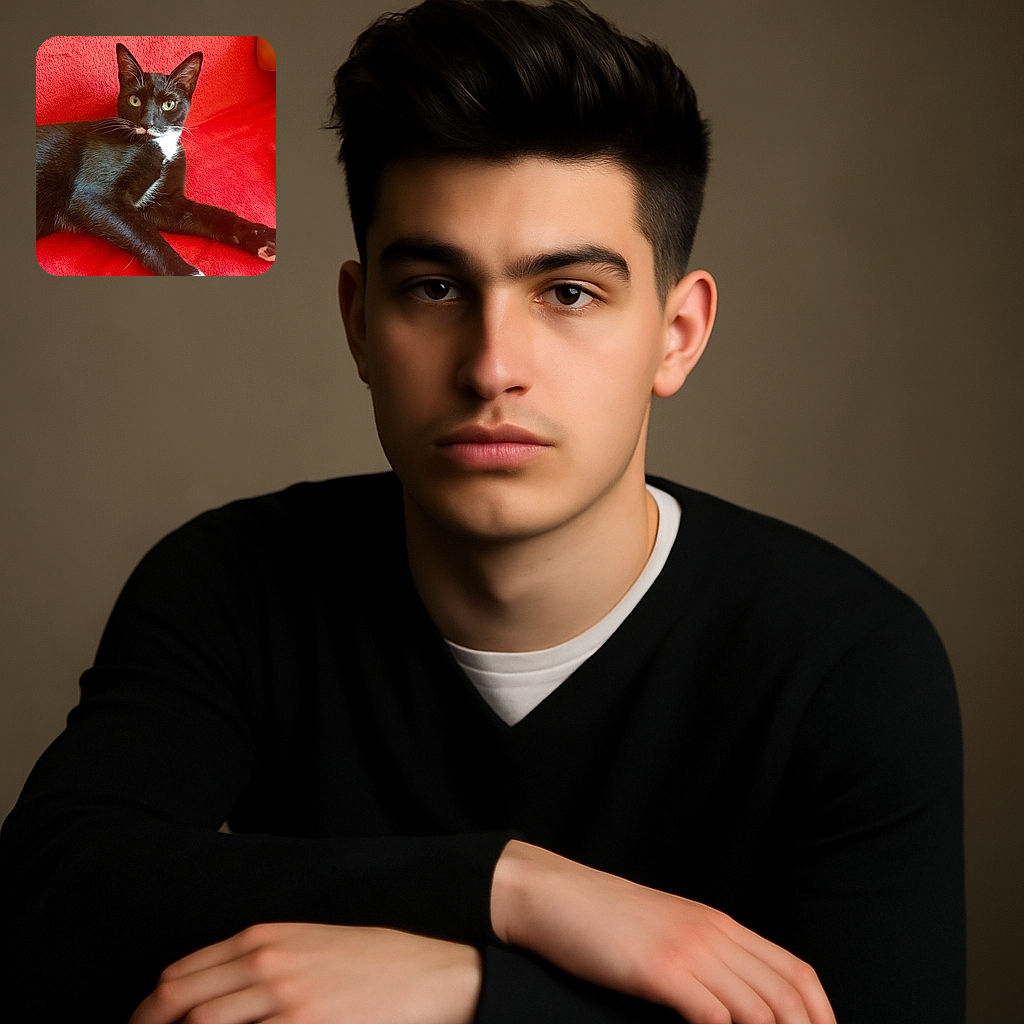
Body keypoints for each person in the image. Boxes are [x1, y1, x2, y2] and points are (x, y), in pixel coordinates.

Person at [0, 1, 964, 1021]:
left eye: (570, 294)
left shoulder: (845, 660)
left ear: (675, 335)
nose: (493, 367)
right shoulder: (233, 580)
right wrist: (508, 888)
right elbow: (44, 903)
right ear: (358, 323)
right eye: (432, 287)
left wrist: (472, 989)